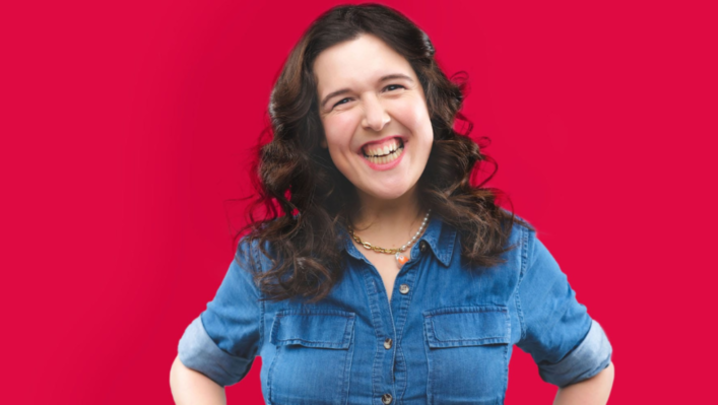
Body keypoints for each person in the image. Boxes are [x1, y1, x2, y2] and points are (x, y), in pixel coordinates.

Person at [169, 4, 614, 404]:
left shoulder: (509, 252)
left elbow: (589, 370)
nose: (376, 118)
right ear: (318, 133)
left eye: (392, 87)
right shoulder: (269, 262)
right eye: (343, 100)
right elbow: (195, 369)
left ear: (428, 99)